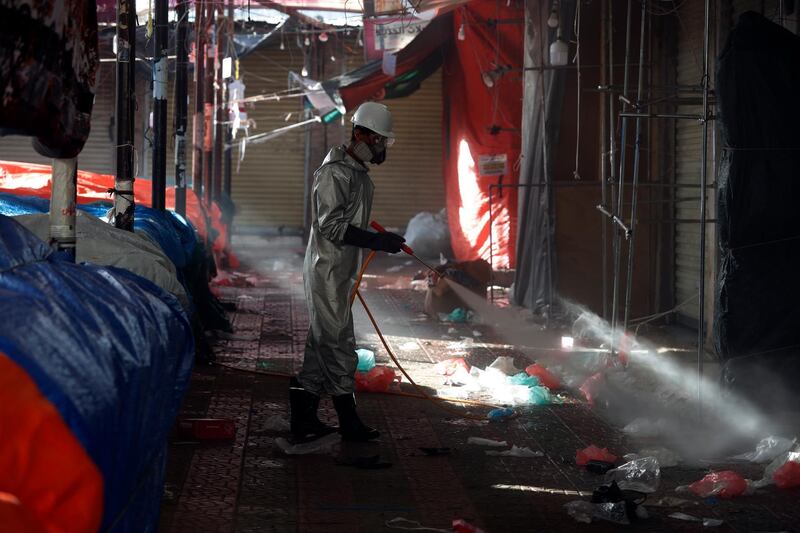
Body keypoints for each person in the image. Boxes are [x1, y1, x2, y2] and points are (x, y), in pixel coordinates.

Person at [290, 102, 406, 442]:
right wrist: (376, 241)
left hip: (340, 271)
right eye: (378, 140)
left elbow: (350, 222)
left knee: (320, 345)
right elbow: (330, 225)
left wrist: (379, 240)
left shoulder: (356, 174)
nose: (380, 147)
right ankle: (348, 419)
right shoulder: (334, 173)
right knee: (339, 342)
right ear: (359, 134)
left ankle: (304, 419)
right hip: (326, 270)